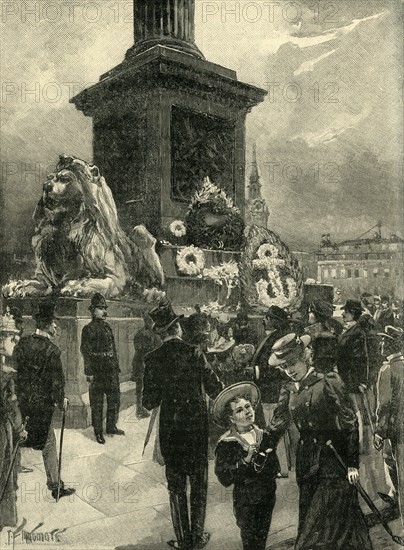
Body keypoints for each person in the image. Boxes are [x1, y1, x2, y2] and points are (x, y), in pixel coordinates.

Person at [268, 333, 373, 550]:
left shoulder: (328, 381)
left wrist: (352, 463)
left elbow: (349, 423)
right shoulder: (287, 390)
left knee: (329, 525)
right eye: (284, 366)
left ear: (305, 357)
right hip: (307, 462)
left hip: (333, 460)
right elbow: (277, 425)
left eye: (293, 363)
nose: (289, 370)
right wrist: (260, 447)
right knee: (312, 518)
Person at [143, 301, 223, 550]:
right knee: (199, 485)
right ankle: (198, 537)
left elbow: (149, 402)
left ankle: (183, 540)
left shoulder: (153, 359)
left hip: (170, 430)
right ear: (177, 328)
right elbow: (215, 388)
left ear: (161, 332)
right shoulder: (195, 353)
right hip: (197, 428)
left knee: (176, 487)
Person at [14, 302, 75, 500]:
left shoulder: (22, 343)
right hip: (42, 407)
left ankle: (10, 487)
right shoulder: (52, 350)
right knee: (49, 444)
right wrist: (61, 400)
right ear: (47, 324)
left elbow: (16, 374)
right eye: (54, 323)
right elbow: (56, 382)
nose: (56, 326)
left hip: (22, 404)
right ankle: (55, 485)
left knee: (16, 440)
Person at [213, 382, 279, 550]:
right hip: (246, 501)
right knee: (250, 540)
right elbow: (225, 477)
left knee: (262, 535)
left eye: (248, 406)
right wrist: (246, 460)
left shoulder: (264, 436)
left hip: (266, 496)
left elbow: (274, 467)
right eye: (239, 410)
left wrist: (266, 459)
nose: (247, 412)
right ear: (231, 418)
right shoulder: (227, 444)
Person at [81, 292, 124, 444]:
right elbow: (85, 351)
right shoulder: (88, 329)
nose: (104, 311)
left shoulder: (107, 327)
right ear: (92, 310)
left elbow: (113, 349)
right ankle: (98, 431)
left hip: (111, 370)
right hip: (97, 371)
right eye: (100, 308)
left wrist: (116, 367)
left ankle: (111, 426)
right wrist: (89, 371)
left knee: (114, 400)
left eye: (104, 308)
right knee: (97, 403)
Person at [373, 325, 404, 527]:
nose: (380, 344)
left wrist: (379, 433)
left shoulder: (387, 370)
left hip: (398, 433)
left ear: (390, 344)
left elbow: (383, 406)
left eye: (383, 340)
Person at [0, 309, 27, 530]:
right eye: (11, 338)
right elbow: (11, 406)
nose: (14, 342)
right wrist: (19, 429)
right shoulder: (6, 374)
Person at [336, 299, 369, 451]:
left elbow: (360, 360)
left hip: (351, 381)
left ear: (353, 314)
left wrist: (360, 382)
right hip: (346, 379)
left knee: (356, 413)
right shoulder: (351, 330)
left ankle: (359, 445)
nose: (343, 314)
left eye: (346, 312)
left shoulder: (357, 332)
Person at [132, 312, 161, 419]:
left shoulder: (140, 334)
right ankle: (141, 410)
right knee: (142, 388)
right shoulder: (151, 334)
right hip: (144, 365)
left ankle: (141, 409)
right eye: (151, 321)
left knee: (140, 389)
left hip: (140, 364)